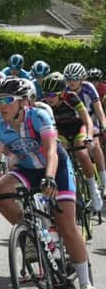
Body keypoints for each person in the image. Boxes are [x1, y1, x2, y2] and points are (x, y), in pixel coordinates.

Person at [0, 77, 96, 289]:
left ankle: (86, 284)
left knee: (66, 224)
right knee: (0, 190)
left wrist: (50, 178)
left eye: (8, 100)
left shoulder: (38, 116)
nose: (2, 105)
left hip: (57, 168)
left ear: (23, 102)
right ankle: (33, 232)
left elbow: (52, 150)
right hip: (27, 169)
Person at [41, 72, 103, 211]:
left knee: (81, 152)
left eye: (52, 95)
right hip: (61, 131)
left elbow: (87, 119)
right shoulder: (45, 104)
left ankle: (93, 189)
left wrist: (88, 136)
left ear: (62, 93)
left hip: (78, 127)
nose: (48, 98)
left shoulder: (72, 98)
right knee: (59, 152)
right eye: (46, 94)